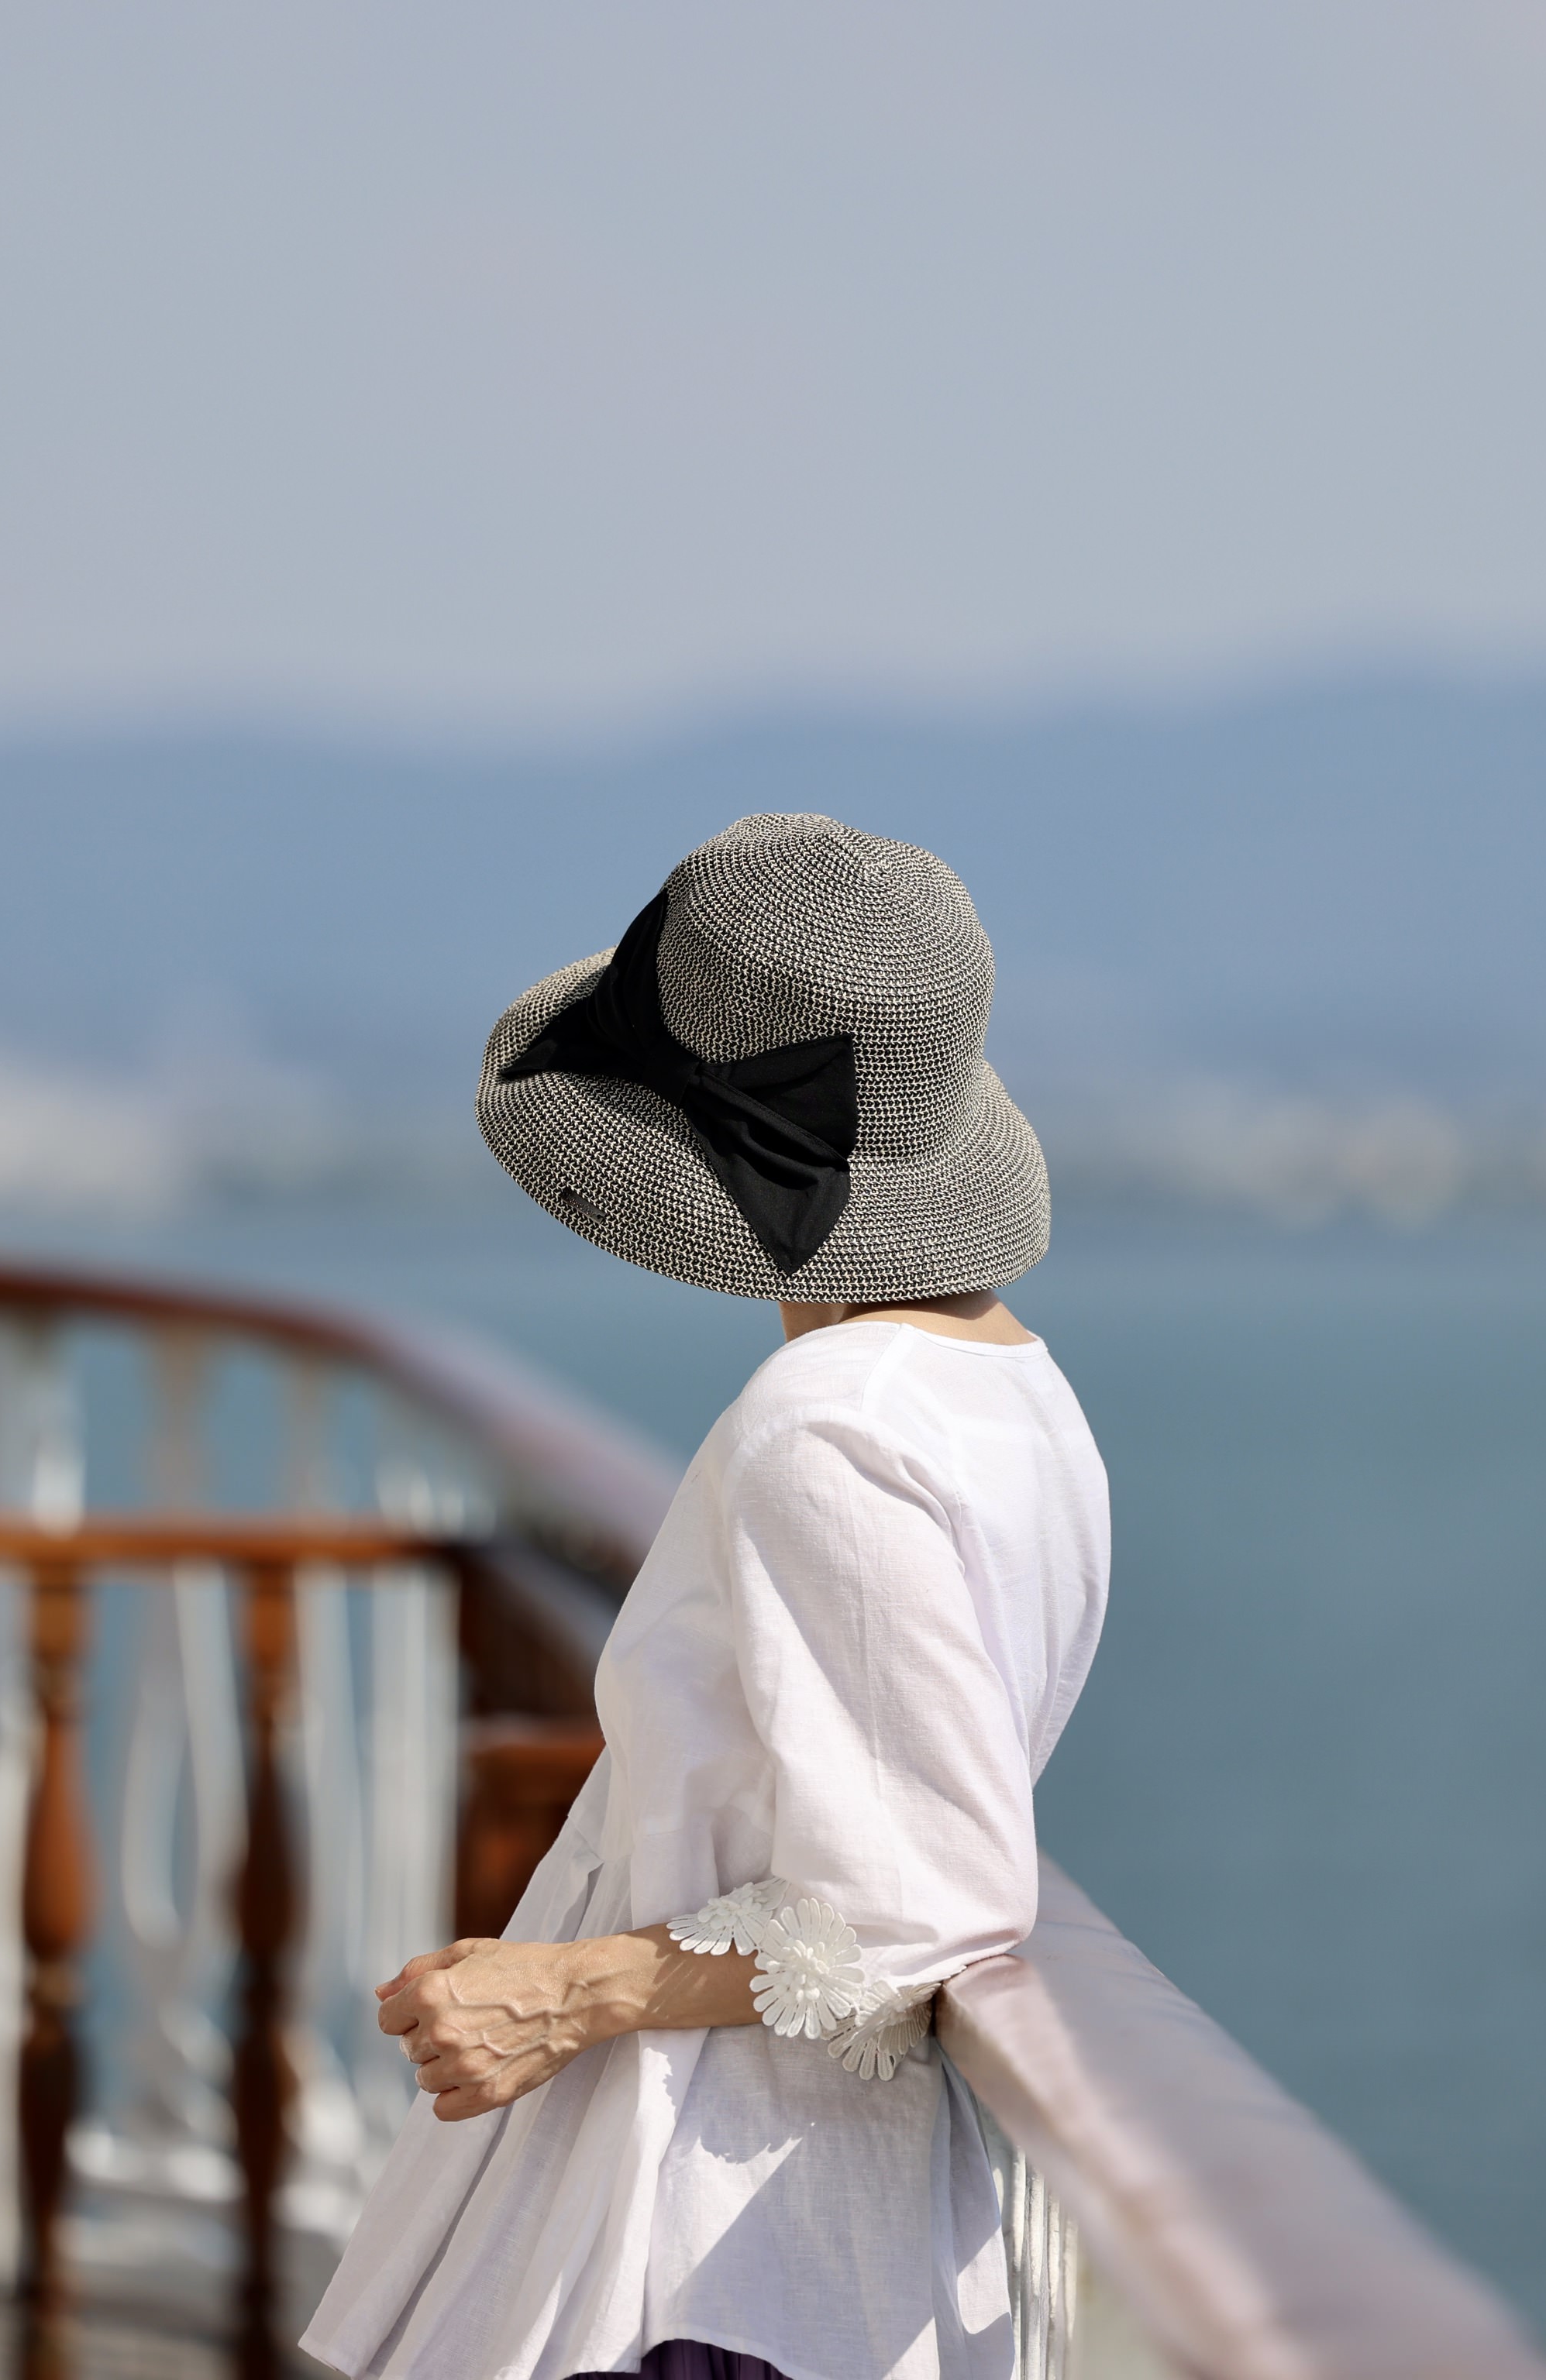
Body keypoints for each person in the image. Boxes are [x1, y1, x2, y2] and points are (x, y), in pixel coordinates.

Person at [301, 814, 1111, 2380]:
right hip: (824, 2224)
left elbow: (922, 1900)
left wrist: (564, 1990)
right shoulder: (1017, 1397)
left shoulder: (825, 1427)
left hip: (706, 2228)